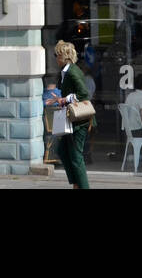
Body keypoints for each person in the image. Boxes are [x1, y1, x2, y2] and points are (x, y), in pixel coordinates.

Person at [50, 40, 92, 189]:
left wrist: (64, 99)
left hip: (79, 121)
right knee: (62, 150)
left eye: (57, 54)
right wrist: (61, 101)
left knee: (75, 156)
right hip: (71, 118)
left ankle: (82, 186)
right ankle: (76, 184)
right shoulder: (66, 72)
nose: (55, 57)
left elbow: (83, 94)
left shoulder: (73, 72)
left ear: (64, 56)